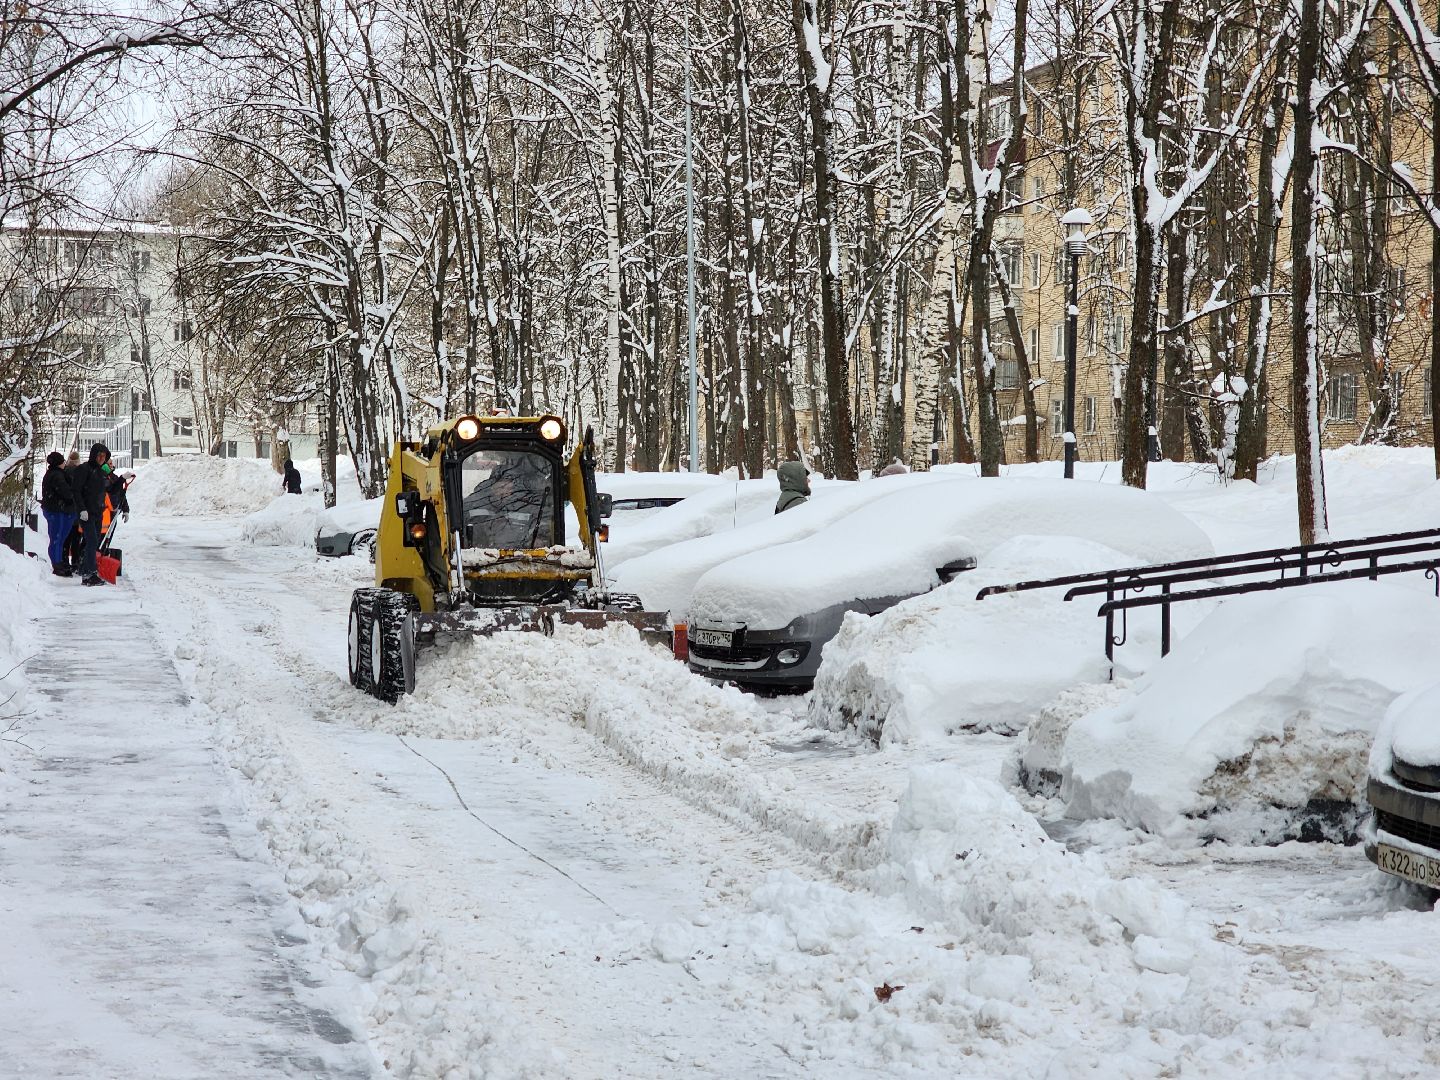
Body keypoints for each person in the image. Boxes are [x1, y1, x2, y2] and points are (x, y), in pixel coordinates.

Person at [72, 442, 112, 587]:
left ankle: (86, 571)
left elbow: (109, 489)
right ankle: (90, 574)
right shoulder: (84, 469)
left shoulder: (101, 472)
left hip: (97, 513)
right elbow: (76, 490)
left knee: (92, 543)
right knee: (92, 542)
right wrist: (82, 509)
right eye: (99, 455)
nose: (102, 458)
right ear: (93, 455)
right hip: (86, 513)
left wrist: (122, 479)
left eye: (104, 456)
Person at [40, 451, 78, 577]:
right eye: (62, 461)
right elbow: (66, 492)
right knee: (58, 538)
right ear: (59, 463)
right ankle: (57, 564)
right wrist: (73, 498)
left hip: (55, 509)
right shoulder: (57, 475)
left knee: (58, 538)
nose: (64, 463)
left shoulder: (52, 473)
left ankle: (58, 562)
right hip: (58, 511)